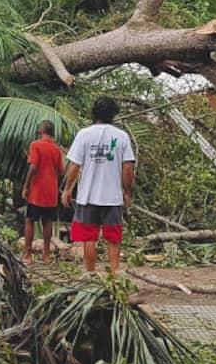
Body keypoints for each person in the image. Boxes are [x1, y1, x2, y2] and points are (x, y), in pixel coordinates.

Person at [61, 97, 135, 273]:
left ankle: (90, 274)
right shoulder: (121, 136)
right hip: (112, 197)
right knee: (114, 238)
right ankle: (114, 275)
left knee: (89, 238)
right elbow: (128, 167)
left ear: (94, 113)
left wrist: (67, 190)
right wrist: (126, 192)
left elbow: (74, 165)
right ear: (113, 114)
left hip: (88, 196)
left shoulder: (84, 134)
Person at [21, 120, 64, 264]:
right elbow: (60, 171)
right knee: (47, 221)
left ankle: (27, 254)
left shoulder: (35, 145)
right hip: (51, 192)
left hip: (37, 191)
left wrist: (26, 186)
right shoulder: (57, 149)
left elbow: (33, 167)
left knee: (29, 220)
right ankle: (46, 255)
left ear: (42, 130)